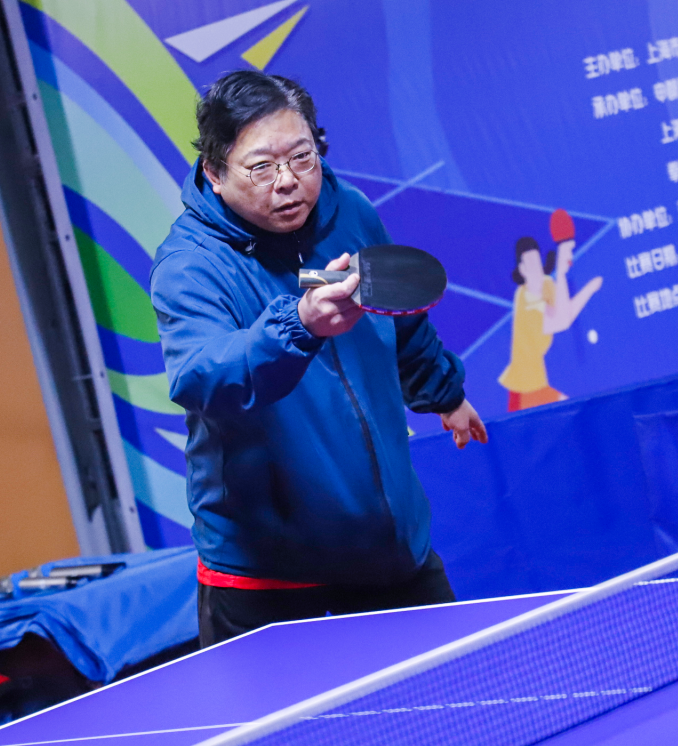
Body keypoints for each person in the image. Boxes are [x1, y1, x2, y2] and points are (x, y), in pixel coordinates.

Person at [150, 71, 488, 646]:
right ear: (215, 172)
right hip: (265, 573)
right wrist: (298, 327)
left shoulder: (349, 211)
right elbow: (202, 376)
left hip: (382, 545)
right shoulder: (190, 266)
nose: (288, 182)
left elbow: (400, 318)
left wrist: (444, 393)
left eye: (301, 157)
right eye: (261, 167)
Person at [498, 212, 602, 411]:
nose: (536, 270)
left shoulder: (546, 284)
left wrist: (589, 288)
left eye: (538, 263)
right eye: (530, 265)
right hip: (524, 389)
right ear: (522, 270)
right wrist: (562, 274)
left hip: (538, 383)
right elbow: (560, 321)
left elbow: (566, 314)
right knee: (576, 412)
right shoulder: (525, 300)